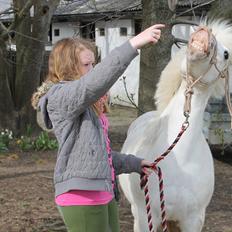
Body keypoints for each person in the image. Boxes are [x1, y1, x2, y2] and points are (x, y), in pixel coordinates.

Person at [31, 23, 165, 232]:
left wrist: (135, 164)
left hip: (103, 192)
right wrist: (132, 45)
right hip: (81, 196)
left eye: (94, 64)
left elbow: (98, 156)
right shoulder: (59, 97)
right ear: (68, 68)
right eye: (87, 65)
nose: (92, 70)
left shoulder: (86, 107)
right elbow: (92, 84)